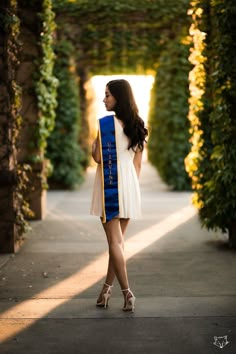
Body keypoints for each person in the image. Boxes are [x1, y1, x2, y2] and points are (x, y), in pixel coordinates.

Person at [90, 79, 148, 312]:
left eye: (108, 95)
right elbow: (138, 165)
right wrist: (130, 190)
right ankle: (105, 291)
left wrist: (94, 142)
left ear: (119, 98)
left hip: (110, 186)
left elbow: (97, 157)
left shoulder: (106, 125)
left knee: (114, 243)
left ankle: (127, 293)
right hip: (130, 187)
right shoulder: (138, 124)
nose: (104, 99)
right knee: (118, 245)